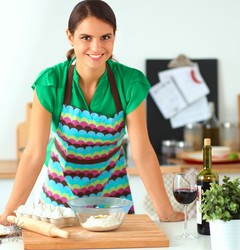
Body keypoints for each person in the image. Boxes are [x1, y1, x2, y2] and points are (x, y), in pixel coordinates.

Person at [0, 0, 183, 224]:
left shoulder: (130, 83)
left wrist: (167, 213)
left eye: (105, 37)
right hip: (60, 196)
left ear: (114, 36)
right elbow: (33, 154)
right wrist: (8, 215)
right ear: (70, 36)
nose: (96, 47)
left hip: (112, 195)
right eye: (86, 38)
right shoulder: (51, 82)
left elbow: (142, 152)